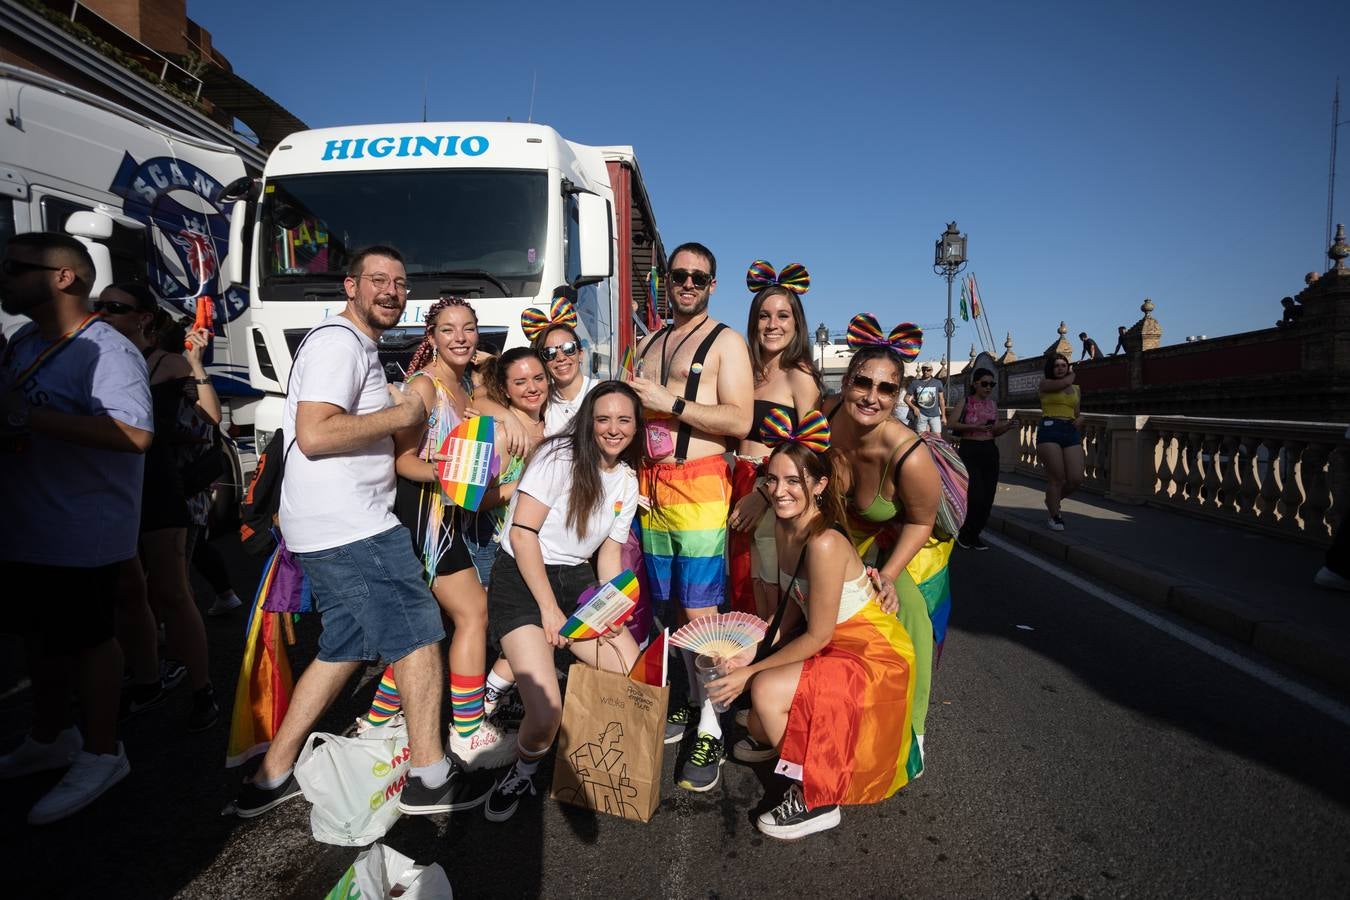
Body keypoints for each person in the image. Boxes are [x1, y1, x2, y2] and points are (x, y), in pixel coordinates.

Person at [233, 245, 479, 818]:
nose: (390, 290)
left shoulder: (359, 348)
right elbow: (315, 435)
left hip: (330, 522)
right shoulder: (337, 343)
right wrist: (404, 416)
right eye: (377, 280)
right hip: (351, 524)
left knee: (343, 645)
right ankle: (430, 776)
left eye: (399, 281)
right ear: (350, 286)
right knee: (419, 633)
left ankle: (271, 774)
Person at [707, 415, 919, 841]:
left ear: (819, 485)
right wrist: (748, 651)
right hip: (832, 637)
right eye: (771, 480)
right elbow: (792, 609)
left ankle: (817, 796)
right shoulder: (788, 527)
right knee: (759, 712)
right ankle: (784, 747)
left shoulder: (822, 542)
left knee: (764, 690)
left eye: (793, 481)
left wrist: (751, 672)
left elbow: (818, 634)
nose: (778, 491)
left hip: (867, 648)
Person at [0, 233, 152, 824]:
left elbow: (134, 433)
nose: (5, 277)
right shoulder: (24, 340)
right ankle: (50, 734)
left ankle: (101, 750)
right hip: (28, 523)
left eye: (15, 268)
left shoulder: (107, 350)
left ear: (64, 278)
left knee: (90, 640)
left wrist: (24, 416)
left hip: (80, 528)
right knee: (42, 639)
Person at [481, 381, 644, 822]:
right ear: (588, 420)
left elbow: (609, 554)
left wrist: (610, 610)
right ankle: (523, 768)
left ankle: (596, 760)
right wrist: (550, 610)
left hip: (574, 576)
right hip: (520, 573)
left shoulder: (627, 482)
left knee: (630, 671)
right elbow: (522, 533)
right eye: (603, 418)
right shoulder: (558, 457)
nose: (613, 429)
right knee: (546, 711)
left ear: (636, 426)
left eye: (624, 419)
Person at [627, 241, 754, 792]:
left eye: (698, 278)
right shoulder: (648, 340)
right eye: (679, 275)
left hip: (700, 483)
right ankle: (688, 695)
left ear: (711, 285)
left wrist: (670, 401)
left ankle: (711, 724)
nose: (687, 284)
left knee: (702, 610)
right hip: (649, 484)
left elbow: (740, 418)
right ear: (667, 279)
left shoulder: (726, 341)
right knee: (669, 607)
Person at [386, 296, 518, 768]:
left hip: (450, 516)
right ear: (432, 338)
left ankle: (381, 720)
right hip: (424, 519)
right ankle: (466, 731)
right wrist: (444, 474)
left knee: (426, 626)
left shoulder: (461, 387)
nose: (460, 338)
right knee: (472, 614)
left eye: (468, 329)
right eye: (448, 330)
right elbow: (402, 460)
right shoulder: (423, 388)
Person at [824, 313, 945, 764]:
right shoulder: (827, 415)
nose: (871, 397)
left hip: (903, 534)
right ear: (846, 383)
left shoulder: (909, 454)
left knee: (909, 614)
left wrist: (888, 575)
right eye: (862, 383)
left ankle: (909, 733)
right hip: (844, 528)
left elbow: (921, 521)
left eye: (886, 389)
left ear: (900, 396)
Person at [99, 283, 219, 732]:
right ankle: (148, 678)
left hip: (157, 484)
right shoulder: (98, 356)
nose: (103, 314)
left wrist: (195, 365)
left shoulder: (163, 364)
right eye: (100, 306)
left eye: (115, 307)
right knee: (130, 592)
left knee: (171, 591)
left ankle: (202, 689)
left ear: (144, 318)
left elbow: (207, 420)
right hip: (110, 485)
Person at [728, 260, 822, 620]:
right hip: (737, 485)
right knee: (740, 583)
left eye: (783, 316)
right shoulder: (745, 373)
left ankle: (766, 669)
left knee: (767, 588)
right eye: (764, 316)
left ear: (796, 323)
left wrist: (764, 494)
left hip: (773, 491)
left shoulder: (800, 376)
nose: (772, 325)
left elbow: (813, 448)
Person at [949, 368, 1015, 551]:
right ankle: (965, 532)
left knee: (988, 497)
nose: (988, 388)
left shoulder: (992, 405)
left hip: (989, 450)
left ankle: (975, 534)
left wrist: (1007, 426)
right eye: (984, 384)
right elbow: (951, 424)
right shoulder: (966, 401)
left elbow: (994, 430)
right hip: (970, 449)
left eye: (991, 384)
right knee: (975, 495)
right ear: (975, 384)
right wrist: (975, 427)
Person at [525, 291, 596, 438]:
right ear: (543, 361)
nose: (561, 357)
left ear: (580, 353)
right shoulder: (542, 399)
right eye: (550, 353)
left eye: (568, 348)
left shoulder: (601, 390)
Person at [1036, 353, 1084, 532]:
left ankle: (1052, 501)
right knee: (1057, 478)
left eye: (1064, 365)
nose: (1060, 368)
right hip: (1050, 429)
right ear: (1051, 368)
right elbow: (1063, 383)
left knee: (1076, 479)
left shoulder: (1076, 389)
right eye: (1057, 365)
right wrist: (1072, 374)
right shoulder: (1045, 384)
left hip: (1070, 431)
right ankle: (1055, 516)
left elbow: (1076, 411)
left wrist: (1081, 419)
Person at [904, 363, 945, 434]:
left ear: (932, 371)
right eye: (924, 370)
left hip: (935, 415)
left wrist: (944, 416)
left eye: (928, 370)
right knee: (922, 437)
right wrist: (914, 408)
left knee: (937, 437)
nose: (926, 372)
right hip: (921, 415)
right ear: (922, 371)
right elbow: (906, 398)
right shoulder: (915, 383)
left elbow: (941, 400)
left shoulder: (937, 383)